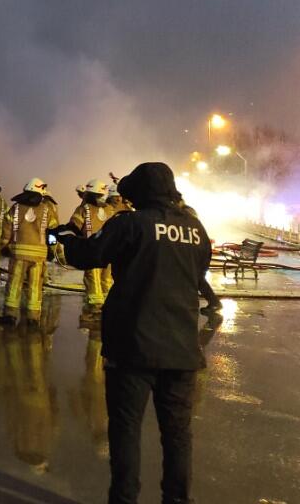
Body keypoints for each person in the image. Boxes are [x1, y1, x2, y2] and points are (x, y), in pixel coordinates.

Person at [53, 162, 211, 504]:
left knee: (126, 430)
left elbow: (89, 254)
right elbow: (199, 272)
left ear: (139, 192)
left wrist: (65, 237)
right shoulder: (195, 229)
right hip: (183, 349)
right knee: (178, 436)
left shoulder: (130, 223)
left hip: (133, 348)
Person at [0, 178, 58, 325]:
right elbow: (53, 232)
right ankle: (33, 317)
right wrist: (52, 249)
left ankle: (10, 315)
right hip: (38, 256)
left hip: (19, 254)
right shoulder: (47, 209)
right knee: (35, 286)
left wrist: (4, 246)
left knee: (14, 284)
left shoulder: (16, 208)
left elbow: (6, 230)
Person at [69, 179, 116, 314]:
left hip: (91, 251)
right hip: (109, 252)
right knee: (107, 281)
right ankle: (108, 309)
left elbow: (74, 227)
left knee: (93, 282)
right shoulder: (109, 209)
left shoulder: (83, 209)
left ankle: (95, 311)